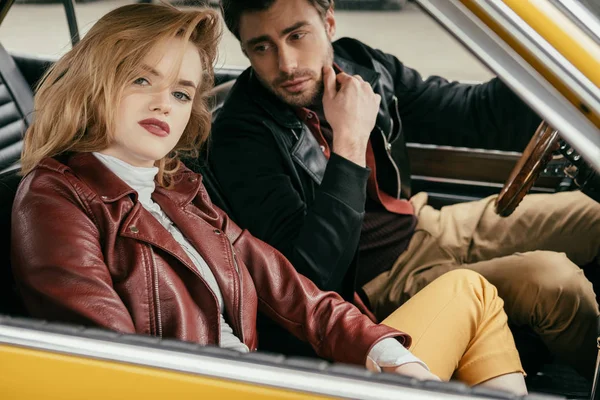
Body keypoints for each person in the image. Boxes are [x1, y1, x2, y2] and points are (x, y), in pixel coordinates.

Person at [9, 3, 528, 394]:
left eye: (182, 92)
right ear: (98, 81)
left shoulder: (175, 187)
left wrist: (382, 350)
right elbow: (117, 372)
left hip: (268, 375)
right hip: (248, 385)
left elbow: (294, 290)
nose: (163, 104)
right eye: (141, 79)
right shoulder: (56, 200)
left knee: (471, 294)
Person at [209, 0, 600, 379]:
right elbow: (309, 277)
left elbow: (472, 113)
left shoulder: (363, 65)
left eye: (297, 35)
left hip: (423, 223)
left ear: (328, 22)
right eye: (262, 47)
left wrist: (555, 74)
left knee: (592, 215)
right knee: (554, 281)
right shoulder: (241, 136)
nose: (287, 64)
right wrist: (348, 140)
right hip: (374, 281)